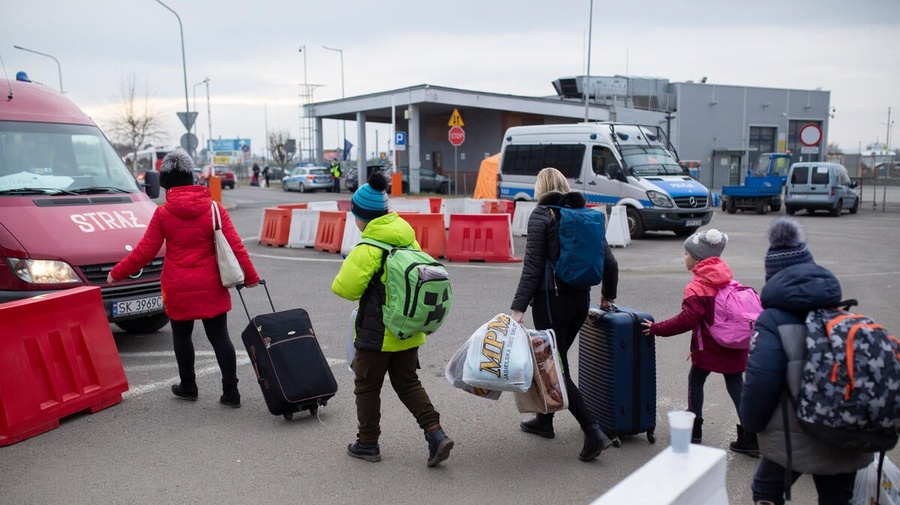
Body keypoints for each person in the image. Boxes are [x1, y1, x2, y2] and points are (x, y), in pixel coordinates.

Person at [106, 151, 260, 408]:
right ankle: (231, 391)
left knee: (182, 335)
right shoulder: (214, 209)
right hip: (212, 284)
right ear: (192, 177)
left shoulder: (163, 214)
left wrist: (117, 272)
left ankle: (188, 385)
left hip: (178, 287)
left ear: (165, 182)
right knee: (220, 336)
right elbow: (236, 246)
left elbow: (145, 251)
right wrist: (251, 276)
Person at [740, 218, 871, 505]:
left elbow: (761, 381)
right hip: (847, 432)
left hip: (794, 437)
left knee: (765, 490)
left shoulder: (773, 321)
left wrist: (751, 423)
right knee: (838, 497)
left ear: (772, 278)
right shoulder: (842, 313)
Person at [331, 171, 453, 467]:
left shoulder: (369, 247)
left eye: (355, 215)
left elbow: (344, 288)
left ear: (363, 217)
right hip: (408, 331)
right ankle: (436, 433)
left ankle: (368, 443)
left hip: (377, 334)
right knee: (408, 382)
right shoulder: (407, 239)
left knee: (367, 386)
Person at [510, 167, 617, 462]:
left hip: (550, 303)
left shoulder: (542, 216)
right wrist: (608, 295)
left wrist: (518, 309)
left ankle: (592, 430)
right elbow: (610, 262)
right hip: (579, 303)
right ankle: (545, 421)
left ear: (540, 188)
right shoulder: (586, 216)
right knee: (555, 362)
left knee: (555, 369)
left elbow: (532, 268)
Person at [641, 228, 757, 455]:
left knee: (696, 379)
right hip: (735, 344)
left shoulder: (697, 286)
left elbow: (687, 320)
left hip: (710, 347)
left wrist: (657, 329)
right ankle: (751, 438)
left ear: (696, 258)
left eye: (686, 254)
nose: (684, 257)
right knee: (736, 385)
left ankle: (694, 430)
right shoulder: (726, 278)